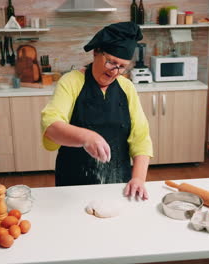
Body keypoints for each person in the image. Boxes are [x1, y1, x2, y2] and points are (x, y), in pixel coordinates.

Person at [41, 22, 152, 200]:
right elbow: (51, 127)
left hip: (118, 184)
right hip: (73, 186)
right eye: (111, 62)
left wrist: (138, 178)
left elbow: (141, 138)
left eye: (122, 66)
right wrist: (86, 137)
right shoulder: (71, 82)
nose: (115, 72)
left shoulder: (127, 88)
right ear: (96, 52)